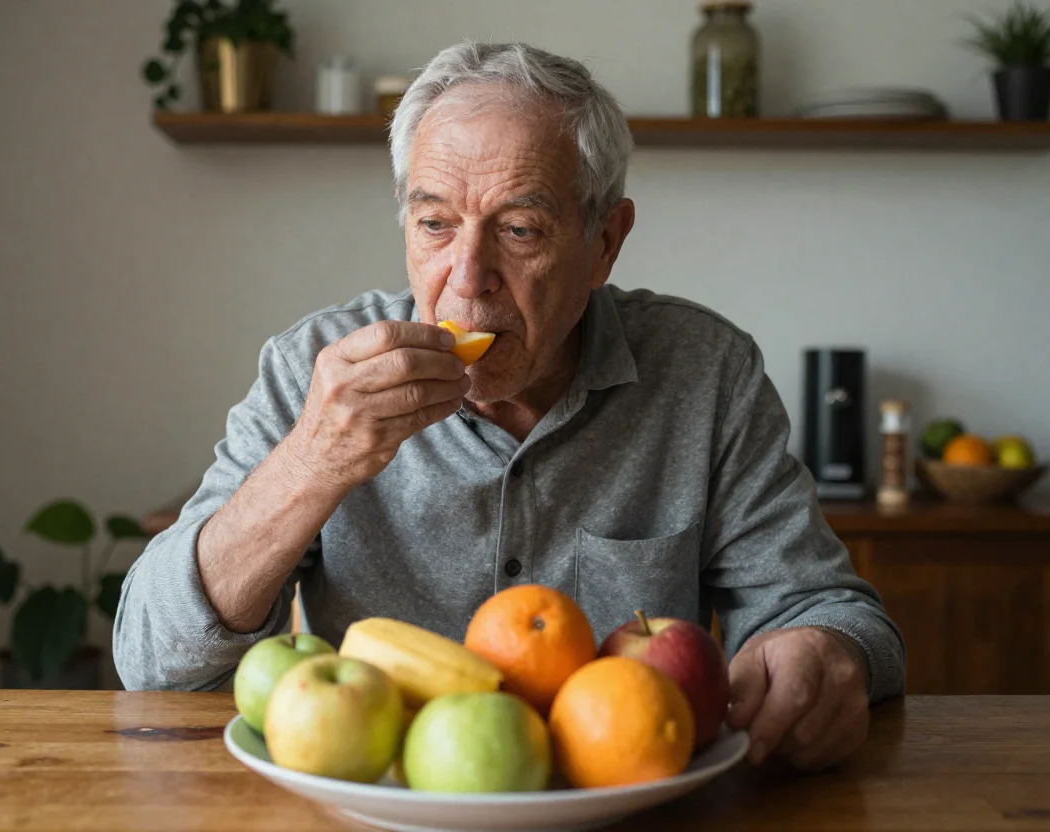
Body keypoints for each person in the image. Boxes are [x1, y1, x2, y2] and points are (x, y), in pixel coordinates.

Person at [114, 41, 904, 771]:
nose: (467, 276)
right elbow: (151, 659)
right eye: (434, 225)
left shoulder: (706, 374)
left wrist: (827, 650)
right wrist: (313, 462)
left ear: (605, 243)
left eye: (520, 229)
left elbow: (830, 608)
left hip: (626, 799)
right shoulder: (312, 373)